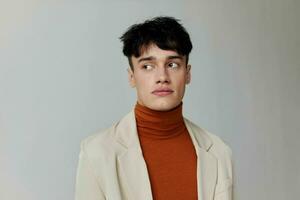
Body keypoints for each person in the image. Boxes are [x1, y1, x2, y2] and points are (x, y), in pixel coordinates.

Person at [75, 16, 233, 200]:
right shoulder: (97, 153)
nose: (162, 77)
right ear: (132, 76)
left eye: (172, 65)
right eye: (148, 66)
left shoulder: (220, 152)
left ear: (187, 74)